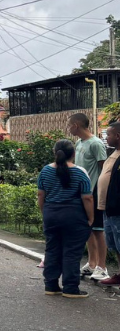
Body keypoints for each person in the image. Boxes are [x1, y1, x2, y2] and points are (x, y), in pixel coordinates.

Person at [38, 139, 93, 298]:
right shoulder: (80, 172)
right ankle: (70, 288)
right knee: (72, 252)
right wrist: (90, 218)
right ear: (73, 154)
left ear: (55, 153)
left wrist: (45, 213)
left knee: (52, 249)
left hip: (51, 213)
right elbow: (87, 198)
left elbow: (41, 195)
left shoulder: (45, 171)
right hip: (73, 215)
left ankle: (51, 285)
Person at [68, 113, 109, 281]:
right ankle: (91, 263)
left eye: (69, 125)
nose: (68, 128)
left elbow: (104, 168)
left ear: (76, 125)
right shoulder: (79, 143)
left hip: (94, 192)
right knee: (88, 229)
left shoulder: (96, 144)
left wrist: (100, 191)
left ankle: (102, 266)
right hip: (81, 192)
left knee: (99, 229)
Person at [98, 122, 120, 287]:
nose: (106, 138)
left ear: (117, 136)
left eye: (109, 135)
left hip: (117, 207)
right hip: (108, 207)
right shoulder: (114, 154)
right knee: (114, 244)